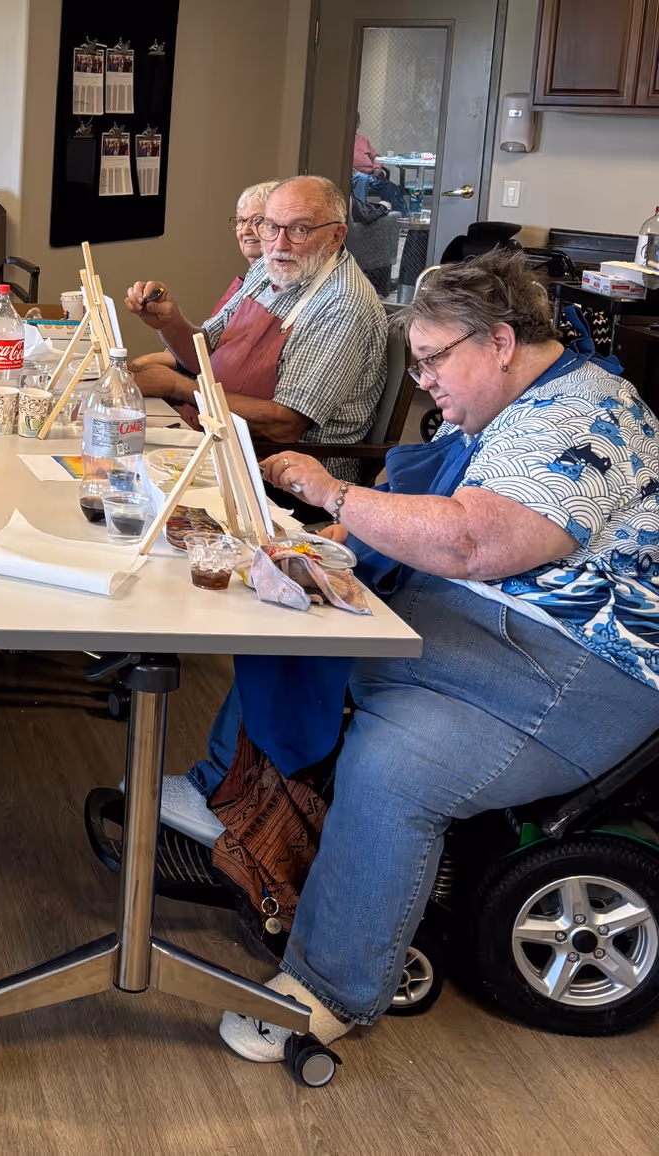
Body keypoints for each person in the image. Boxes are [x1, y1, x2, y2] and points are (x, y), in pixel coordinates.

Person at [202, 250, 659, 1061]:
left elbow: (476, 539)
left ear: (501, 342)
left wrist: (332, 494)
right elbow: (434, 512)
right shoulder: (504, 401)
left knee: (395, 768)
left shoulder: (581, 416)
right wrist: (329, 543)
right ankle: (225, 803)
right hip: (493, 626)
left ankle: (331, 987)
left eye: (433, 361)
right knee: (296, 624)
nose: (423, 385)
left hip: (581, 668)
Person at [124, 175, 388, 489]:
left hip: (288, 477)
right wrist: (170, 323)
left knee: (132, 481)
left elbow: (285, 425)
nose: (279, 244)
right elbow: (206, 353)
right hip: (224, 436)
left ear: (335, 236)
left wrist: (179, 388)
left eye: (299, 229)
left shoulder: (343, 305)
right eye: (271, 226)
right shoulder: (268, 268)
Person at [134, 180, 280, 376]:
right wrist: (169, 325)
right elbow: (210, 343)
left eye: (257, 221)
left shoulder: (283, 289)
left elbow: (231, 358)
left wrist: (160, 367)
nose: (245, 230)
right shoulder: (250, 281)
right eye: (241, 221)